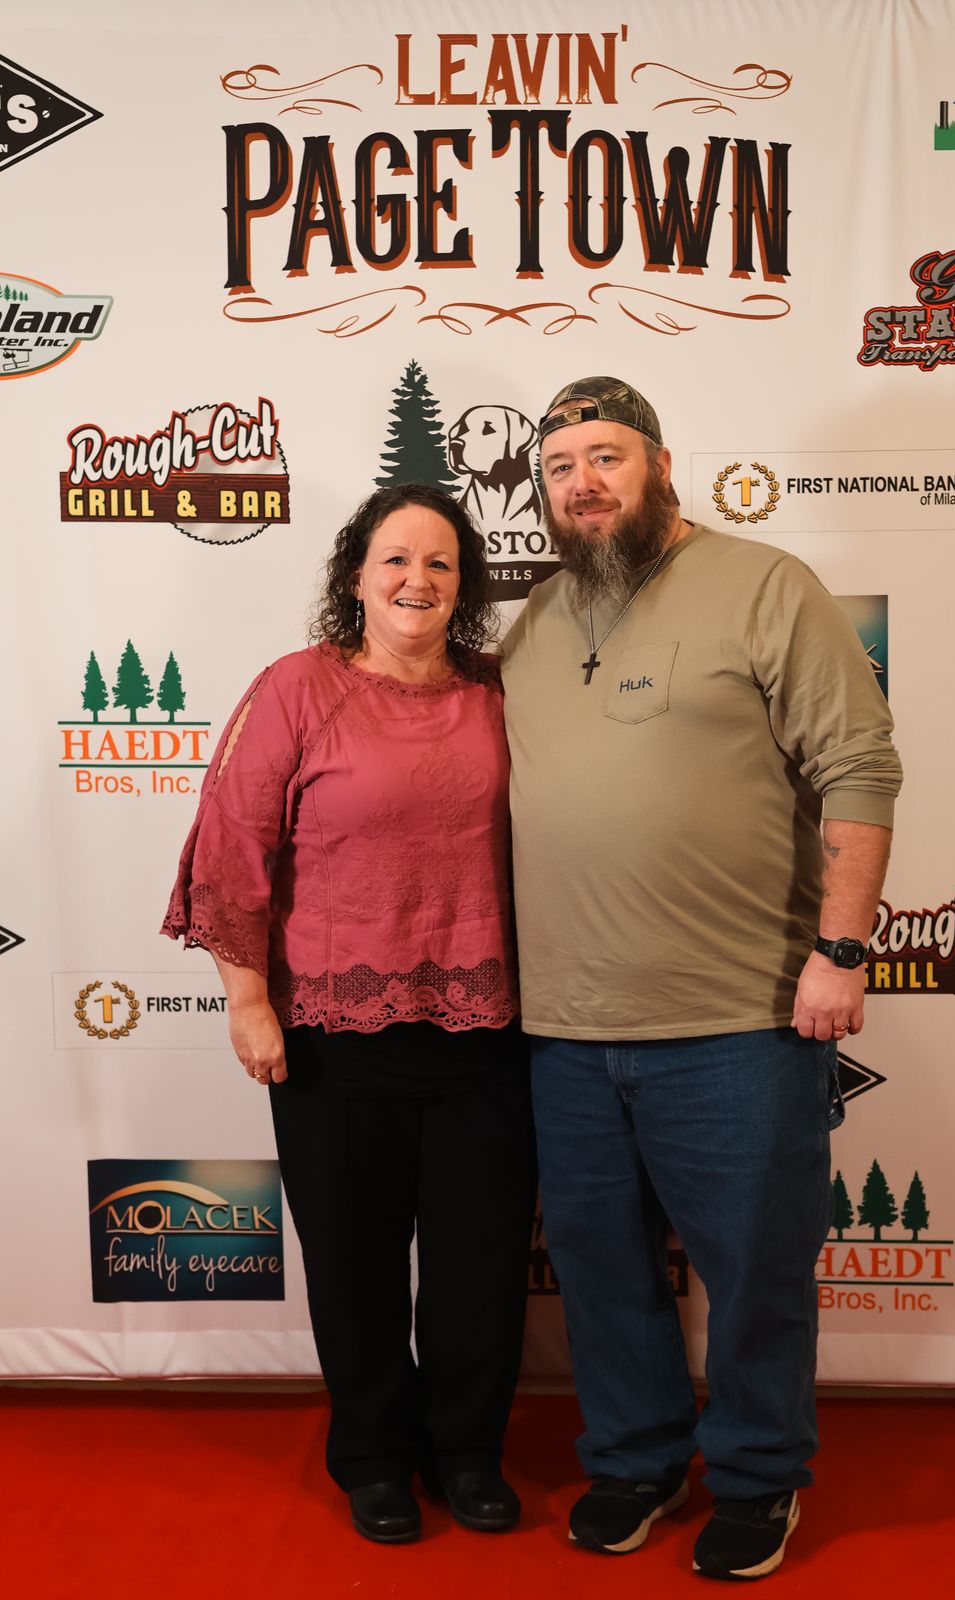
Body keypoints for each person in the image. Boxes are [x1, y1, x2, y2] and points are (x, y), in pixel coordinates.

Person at [500, 378, 902, 1581]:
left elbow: (858, 765)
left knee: (754, 1273)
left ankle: (757, 1475)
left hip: (738, 1020)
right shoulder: (535, 617)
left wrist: (840, 950)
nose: (582, 483)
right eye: (559, 465)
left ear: (659, 463)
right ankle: (632, 1459)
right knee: (598, 1270)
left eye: (605, 456)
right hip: (564, 1028)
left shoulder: (764, 584)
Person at [162, 484, 536, 1545]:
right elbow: (232, 845)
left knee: (479, 1262)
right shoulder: (296, 687)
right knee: (352, 1260)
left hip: (486, 1030)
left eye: (440, 563)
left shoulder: (498, 693)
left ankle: (467, 1451)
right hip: (332, 1032)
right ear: (356, 577)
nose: (417, 580)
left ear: (464, 585)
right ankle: (372, 1455)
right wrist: (246, 1000)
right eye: (395, 560)